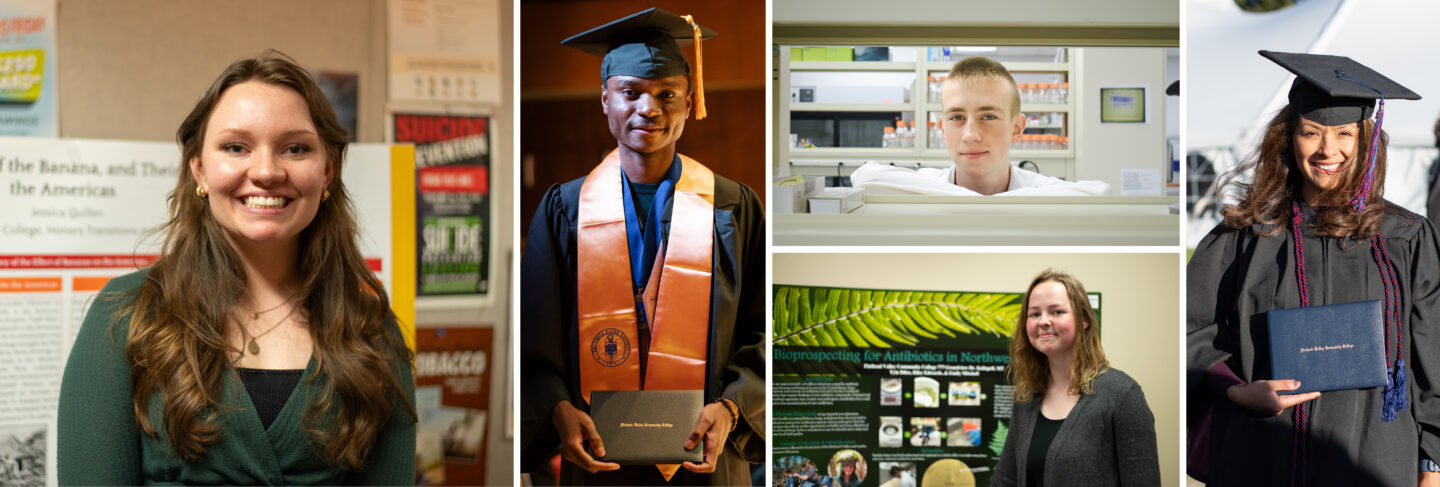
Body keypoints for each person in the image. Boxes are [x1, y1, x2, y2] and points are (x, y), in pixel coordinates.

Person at [55, 51, 416, 485]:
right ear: (200, 171)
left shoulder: (372, 330)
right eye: (235, 147)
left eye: (296, 148)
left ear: (327, 173)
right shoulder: (123, 316)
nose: (266, 171)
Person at [518, 8, 765, 486]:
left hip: (704, 456)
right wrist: (557, 409)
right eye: (630, 92)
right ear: (605, 100)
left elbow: (764, 329)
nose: (648, 108)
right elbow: (535, 339)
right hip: (598, 455)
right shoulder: (565, 211)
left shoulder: (732, 208)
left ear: (690, 102)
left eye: (666, 94)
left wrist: (733, 408)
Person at [1187, 50, 1439, 485]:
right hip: (1263, 451)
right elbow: (1191, 329)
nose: (1328, 150)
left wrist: (1430, 467)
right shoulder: (1245, 235)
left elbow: (1433, 356)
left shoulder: (1405, 238)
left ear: (1365, 139)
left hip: (1375, 456)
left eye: (1344, 133)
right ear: (1289, 138)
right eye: (1311, 132)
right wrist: (1237, 389)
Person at [991, 269, 1159, 487]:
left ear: (1084, 320)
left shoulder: (1123, 395)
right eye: (1034, 314)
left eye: (1057, 311)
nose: (1043, 321)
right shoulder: (1026, 396)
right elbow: (1006, 479)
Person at [848, 57, 1110, 196]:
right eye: (957, 118)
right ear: (942, 127)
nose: (970, 135)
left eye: (988, 117)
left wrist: (991, 206)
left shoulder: (1041, 190)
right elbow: (864, 177)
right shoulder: (925, 184)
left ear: (1017, 128)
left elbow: (1100, 193)